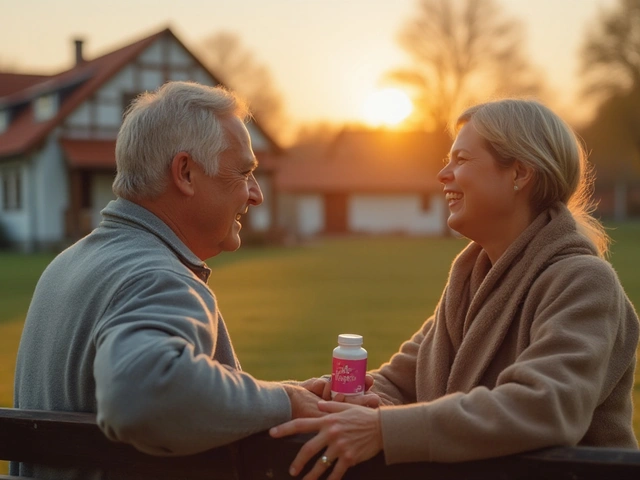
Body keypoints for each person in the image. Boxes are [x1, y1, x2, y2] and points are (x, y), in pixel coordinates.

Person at [270, 98, 640, 480]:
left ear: (520, 173)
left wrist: (383, 429)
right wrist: (336, 397)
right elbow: (399, 381)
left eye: (461, 160)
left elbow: (545, 406)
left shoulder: (583, 282)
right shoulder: (469, 281)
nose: (443, 174)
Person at [11, 81, 324, 479]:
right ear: (186, 173)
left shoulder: (67, 265)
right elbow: (144, 396)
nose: (256, 194)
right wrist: (284, 403)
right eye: (244, 172)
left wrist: (288, 395)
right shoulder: (158, 277)